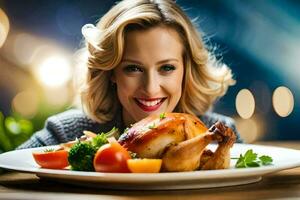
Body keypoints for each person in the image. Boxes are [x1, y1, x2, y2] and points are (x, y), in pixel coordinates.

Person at [18, 0, 242, 149]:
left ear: (186, 70)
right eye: (133, 68)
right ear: (111, 72)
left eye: (167, 68)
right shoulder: (67, 132)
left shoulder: (221, 136)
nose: (151, 88)